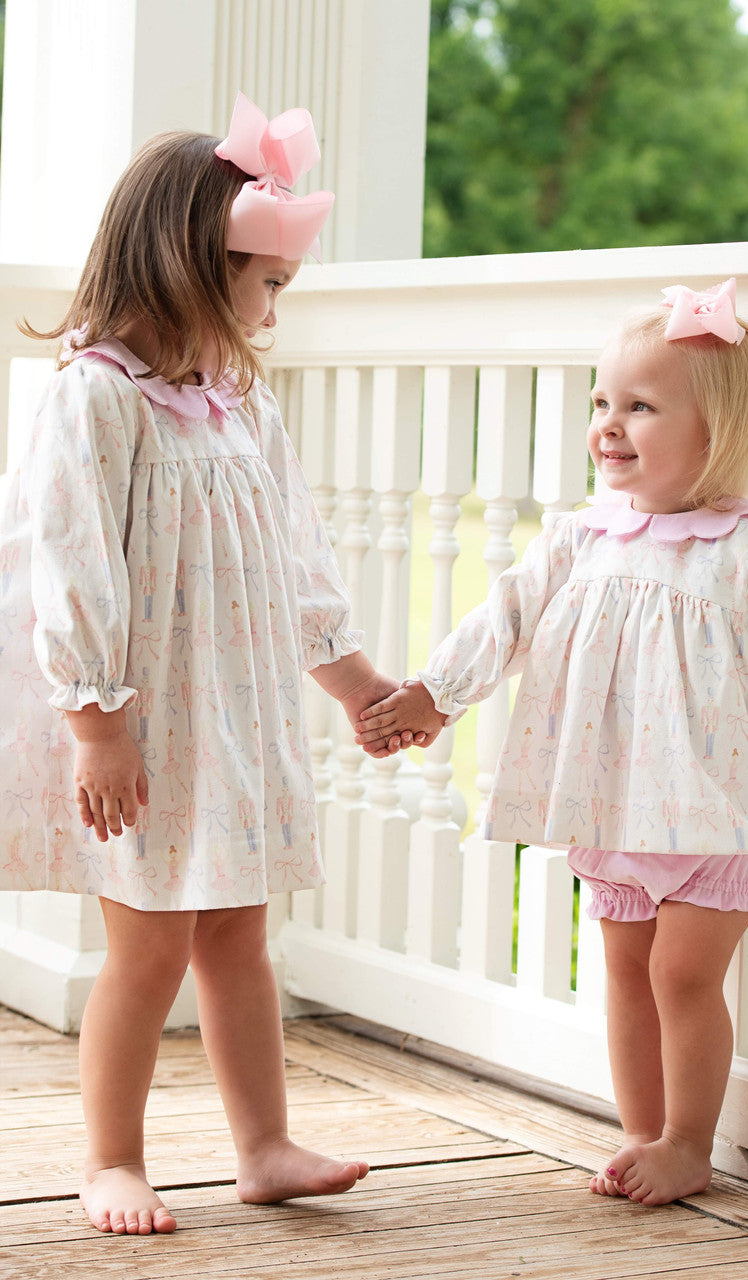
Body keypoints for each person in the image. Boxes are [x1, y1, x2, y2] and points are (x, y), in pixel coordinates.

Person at [354, 279, 748, 1207]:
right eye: (602, 402)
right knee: (626, 970)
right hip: (615, 798)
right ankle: (641, 1134)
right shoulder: (580, 538)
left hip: (719, 806)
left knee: (683, 975)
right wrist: (438, 693)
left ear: (714, 430)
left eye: (640, 407)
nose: (609, 424)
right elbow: (505, 619)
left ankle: (689, 1140)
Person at [0, 93, 418, 1235]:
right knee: (146, 944)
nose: (274, 309)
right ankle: (110, 1156)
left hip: (235, 714)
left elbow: (294, 558)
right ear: (191, 261)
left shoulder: (236, 405)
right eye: (267, 281)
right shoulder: (99, 399)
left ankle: (264, 1143)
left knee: (240, 932)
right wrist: (97, 722)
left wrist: (355, 682)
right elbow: (70, 569)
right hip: (145, 724)